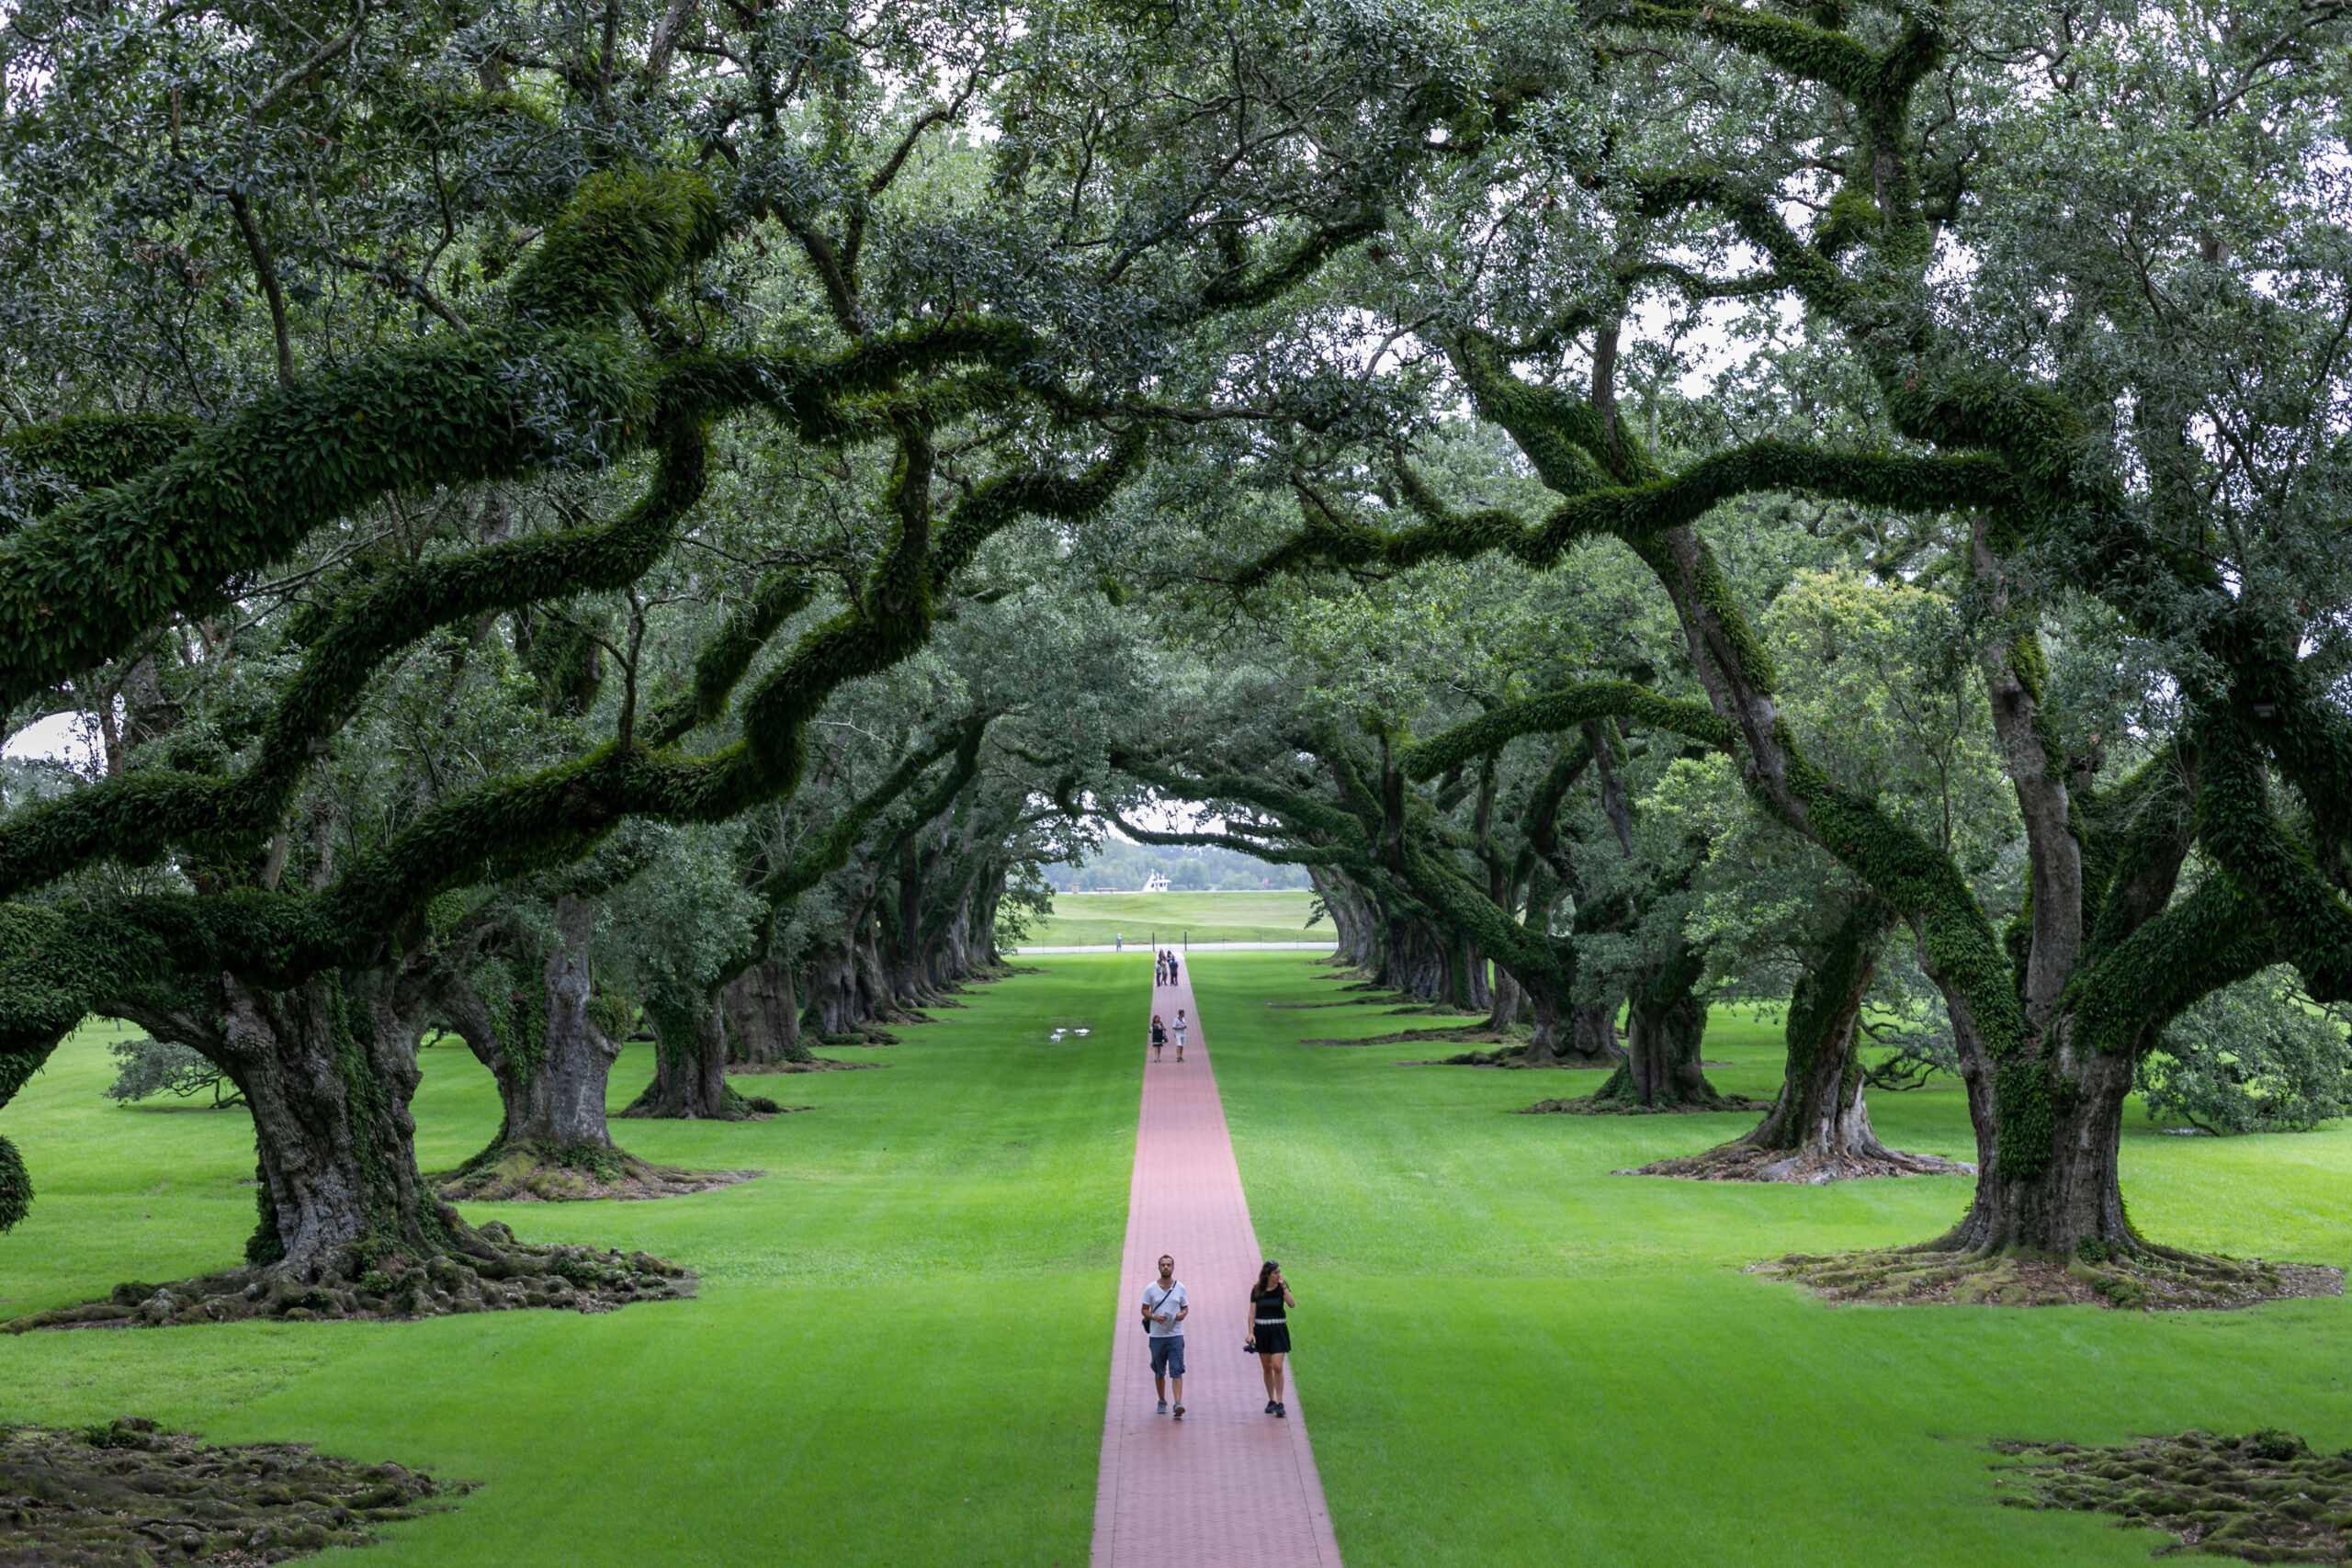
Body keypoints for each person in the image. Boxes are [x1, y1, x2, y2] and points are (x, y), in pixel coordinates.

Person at [1247, 1260, 1296, 1417]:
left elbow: (1291, 1304)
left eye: (1279, 1272)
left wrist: (1284, 1287)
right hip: (1262, 1330)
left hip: (1278, 1330)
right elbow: (1252, 1313)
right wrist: (1250, 1333)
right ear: (1268, 1274)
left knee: (1278, 1366)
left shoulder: (1281, 1288)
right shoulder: (1257, 1290)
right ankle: (1271, 1400)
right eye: (1275, 1273)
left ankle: (1281, 1402)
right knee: (1267, 1367)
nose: (1278, 1275)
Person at [1142, 1254, 1188, 1417]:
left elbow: (1185, 1307)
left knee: (1177, 1370)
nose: (1166, 1267)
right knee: (1159, 1370)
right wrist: (1154, 1317)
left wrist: (1182, 1314)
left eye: (1169, 1265)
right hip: (1157, 1337)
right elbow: (1144, 1309)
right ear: (1159, 1268)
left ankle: (1178, 1403)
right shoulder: (1150, 1289)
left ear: (1173, 1267)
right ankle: (1162, 1400)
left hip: (1175, 1335)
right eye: (1163, 1265)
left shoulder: (1180, 1287)